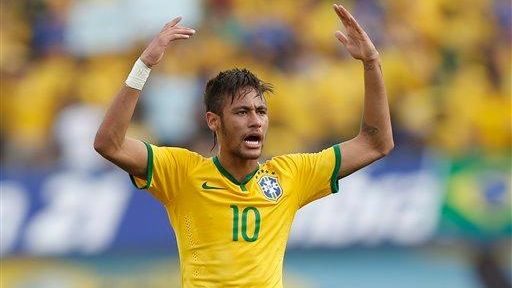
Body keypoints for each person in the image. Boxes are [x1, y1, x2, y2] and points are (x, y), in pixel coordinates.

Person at [94, 4, 393, 287]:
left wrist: (371, 63)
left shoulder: (291, 175)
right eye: (241, 112)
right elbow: (110, 144)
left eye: (261, 112)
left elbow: (376, 143)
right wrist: (144, 65)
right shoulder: (181, 173)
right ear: (213, 121)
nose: (256, 122)